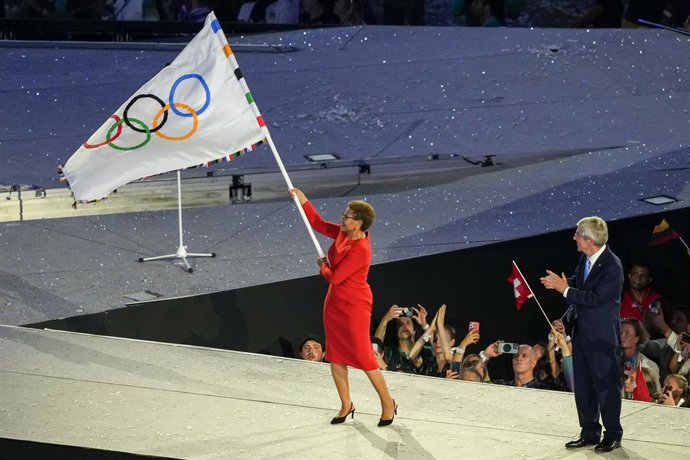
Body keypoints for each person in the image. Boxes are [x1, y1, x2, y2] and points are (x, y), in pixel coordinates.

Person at [289, 188, 396, 427]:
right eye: (344, 214)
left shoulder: (361, 250)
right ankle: (346, 404)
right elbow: (317, 223)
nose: (343, 218)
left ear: (359, 223)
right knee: (336, 354)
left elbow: (335, 277)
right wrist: (304, 199)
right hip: (335, 302)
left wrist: (323, 266)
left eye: (347, 216)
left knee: (364, 357)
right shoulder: (343, 233)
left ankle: (388, 403)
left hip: (355, 304)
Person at [540, 216, 625, 452]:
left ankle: (613, 434)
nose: (573, 237)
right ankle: (589, 432)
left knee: (606, 387)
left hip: (602, 338)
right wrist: (565, 283)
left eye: (577, 234)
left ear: (589, 240)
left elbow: (595, 298)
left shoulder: (612, 266)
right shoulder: (585, 258)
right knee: (585, 386)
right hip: (582, 334)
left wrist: (564, 289)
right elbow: (584, 284)